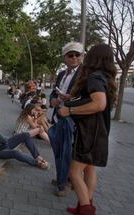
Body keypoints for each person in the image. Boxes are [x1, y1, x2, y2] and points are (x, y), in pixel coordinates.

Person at [58, 43, 117, 215]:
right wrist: (72, 101)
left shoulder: (94, 77)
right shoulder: (104, 78)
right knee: (89, 170)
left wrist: (70, 110)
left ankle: (87, 214)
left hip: (89, 133)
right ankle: (85, 205)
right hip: (98, 132)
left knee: (74, 173)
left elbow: (99, 104)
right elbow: (93, 101)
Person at [48, 42, 84, 197]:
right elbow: (53, 93)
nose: (74, 58)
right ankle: (61, 177)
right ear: (65, 58)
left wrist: (70, 99)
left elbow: (87, 98)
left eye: (77, 54)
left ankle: (65, 183)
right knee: (58, 150)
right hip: (58, 117)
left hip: (71, 119)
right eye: (71, 55)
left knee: (66, 153)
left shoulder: (84, 74)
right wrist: (52, 101)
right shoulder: (62, 74)